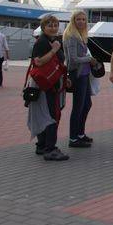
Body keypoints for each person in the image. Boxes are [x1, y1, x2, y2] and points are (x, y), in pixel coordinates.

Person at [31, 15, 69, 161]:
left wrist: (64, 78)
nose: (53, 28)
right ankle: (50, 149)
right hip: (46, 84)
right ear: (43, 27)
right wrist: (54, 50)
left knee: (45, 114)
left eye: (55, 25)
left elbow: (57, 63)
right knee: (52, 115)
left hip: (50, 82)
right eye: (50, 25)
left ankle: (42, 145)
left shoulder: (52, 40)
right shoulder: (42, 42)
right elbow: (38, 62)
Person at [63, 10, 97, 148]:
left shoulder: (80, 35)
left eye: (83, 19)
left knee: (87, 104)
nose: (81, 22)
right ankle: (73, 138)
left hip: (84, 74)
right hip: (77, 75)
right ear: (73, 20)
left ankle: (80, 134)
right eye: (78, 19)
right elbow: (73, 59)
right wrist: (89, 59)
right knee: (78, 107)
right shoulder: (71, 36)